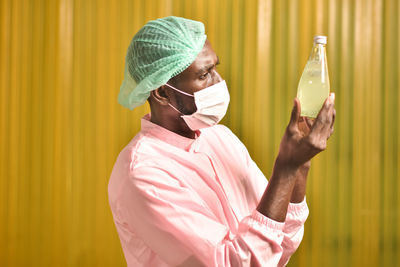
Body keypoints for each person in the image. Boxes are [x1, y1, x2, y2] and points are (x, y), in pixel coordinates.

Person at [108, 16, 335, 267]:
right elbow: (233, 262)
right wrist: (286, 168)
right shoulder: (143, 173)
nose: (219, 82)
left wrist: (300, 166)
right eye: (204, 74)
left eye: (215, 68)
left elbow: (279, 244)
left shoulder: (220, 137)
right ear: (162, 92)